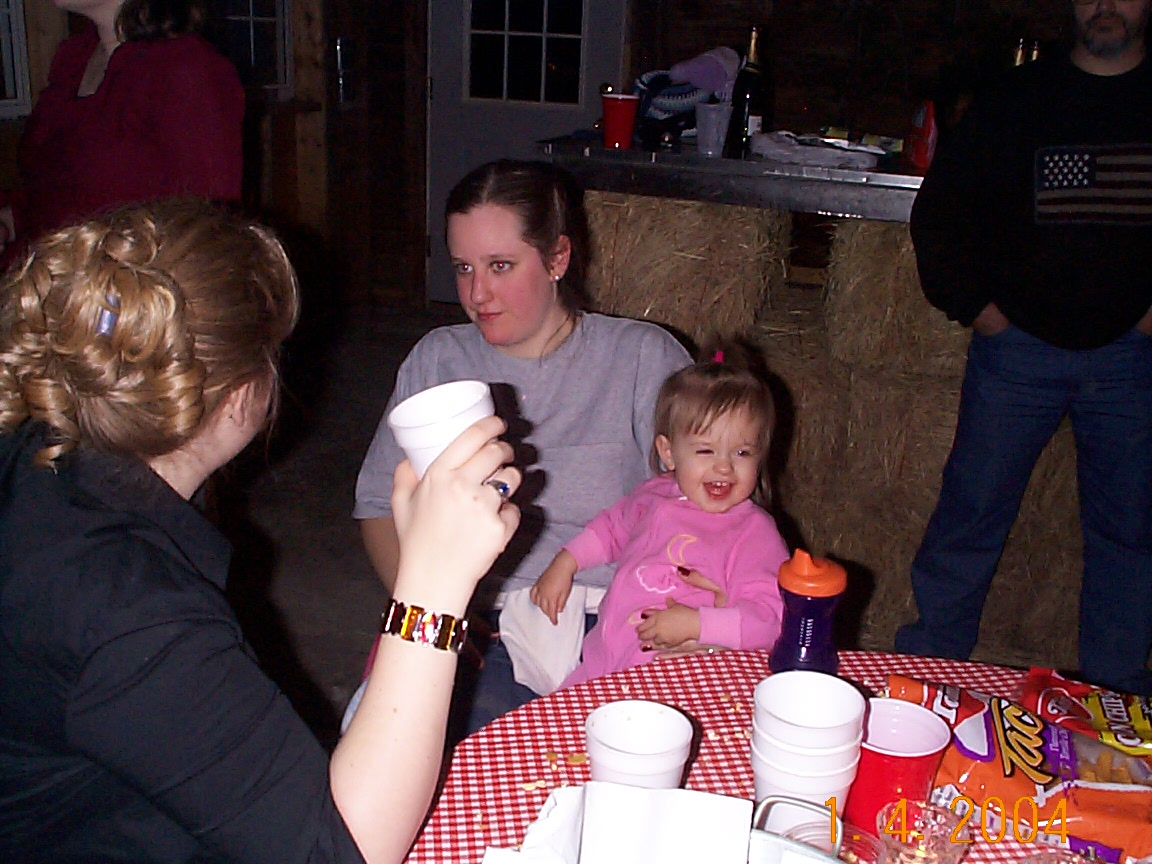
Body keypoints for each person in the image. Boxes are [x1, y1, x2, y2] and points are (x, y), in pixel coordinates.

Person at [0, 200, 522, 863]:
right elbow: (344, 851)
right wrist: (433, 588)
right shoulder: (129, 606)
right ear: (237, 393)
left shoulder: (33, 449)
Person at [354, 159, 691, 733]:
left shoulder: (641, 357)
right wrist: (434, 609)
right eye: (463, 268)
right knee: (439, 748)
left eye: (500, 266)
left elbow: (710, 495)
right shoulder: (439, 361)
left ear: (557, 258)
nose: (476, 293)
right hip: (489, 618)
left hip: (619, 613)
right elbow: (377, 505)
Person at [895, 0, 1152, 694]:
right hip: (1017, 354)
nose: (1105, 5)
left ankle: (1119, 704)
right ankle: (929, 679)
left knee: (1131, 537)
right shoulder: (1016, 99)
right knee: (968, 519)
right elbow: (939, 216)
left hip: (1131, 358)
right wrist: (982, 314)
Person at [531, 343, 788, 687]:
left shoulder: (753, 532)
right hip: (602, 661)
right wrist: (566, 562)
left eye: (742, 453)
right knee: (559, 715)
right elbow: (611, 529)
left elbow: (772, 619)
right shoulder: (653, 495)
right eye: (706, 451)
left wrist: (699, 624)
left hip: (676, 673)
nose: (724, 467)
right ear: (668, 452)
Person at [0, 0, 244, 266]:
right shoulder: (74, 58)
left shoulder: (187, 69)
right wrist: (10, 221)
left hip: (122, 286)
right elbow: (53, 195)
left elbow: (205, 234)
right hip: (45, 275)